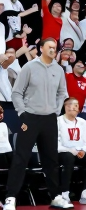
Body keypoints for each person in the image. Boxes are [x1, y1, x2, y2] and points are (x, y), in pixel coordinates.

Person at [5, 36, 68, 210]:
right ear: (41, 48)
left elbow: (62, 92)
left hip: (50, 119)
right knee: (21, 158)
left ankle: (55, 196)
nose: (52, 51)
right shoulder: (29, 67)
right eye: (49, 47)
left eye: (54, 48)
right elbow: (16, 93)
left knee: (51, 160)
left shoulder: (59, 69)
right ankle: (11, 197)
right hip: (30, 118)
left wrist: (56, 110)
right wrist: (22, 113)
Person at [57, 97, 86, 205]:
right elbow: (56, 144)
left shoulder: (82, 122)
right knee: (68, 158)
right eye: (72, 105)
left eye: (77, 105)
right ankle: (64, 194)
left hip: (79, 152)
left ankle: (85, 194)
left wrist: (83, 150)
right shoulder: (58, 121)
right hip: (62, 152)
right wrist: (71, 150)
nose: (75, 108)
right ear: (65, 107)